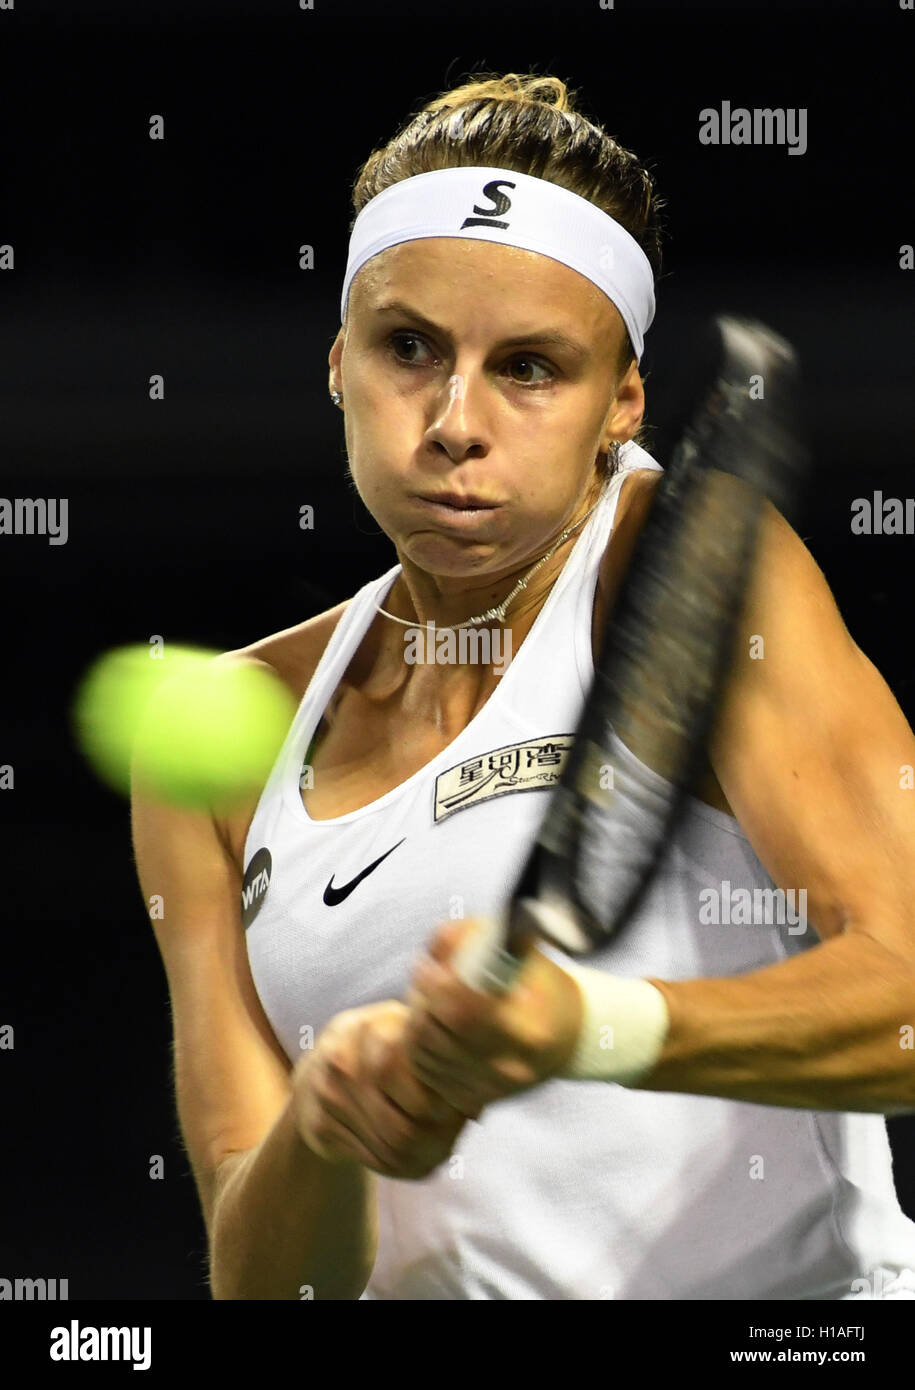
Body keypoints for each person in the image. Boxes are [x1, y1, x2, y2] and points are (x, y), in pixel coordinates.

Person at [131, 71, 915, 1301]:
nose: (454, 421)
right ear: (339, 363)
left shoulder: (694, 570)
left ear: (624, 404)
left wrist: (596, 1025)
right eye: (410, 349)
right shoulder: (215, 744)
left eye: (532, 368)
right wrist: (326, 1126)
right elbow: (261, 1281)